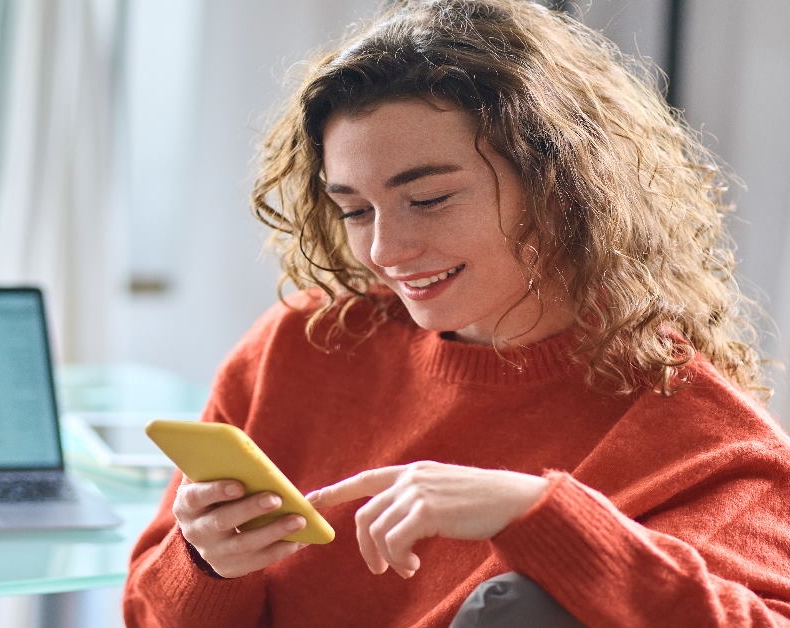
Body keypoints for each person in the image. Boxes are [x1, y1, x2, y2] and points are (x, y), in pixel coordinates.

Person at [122, 0, 790, 626]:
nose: (385, 250)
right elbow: (142, 612)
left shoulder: (691, 430)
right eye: (355, 209)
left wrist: (539, 514)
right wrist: (207, 565)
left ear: (558, 186)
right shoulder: (301, 344)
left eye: (430, 198)